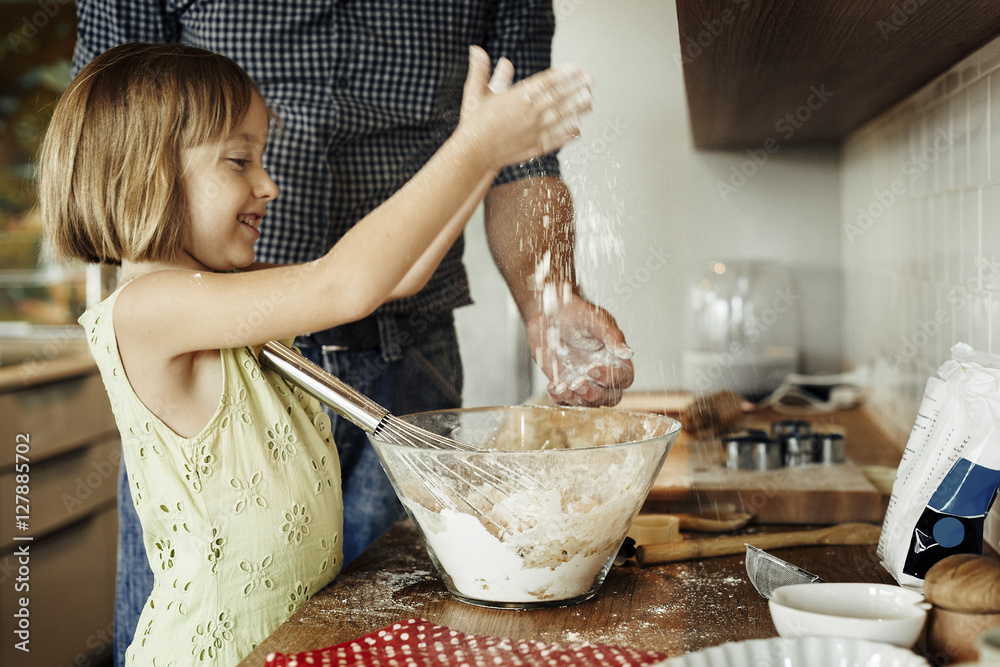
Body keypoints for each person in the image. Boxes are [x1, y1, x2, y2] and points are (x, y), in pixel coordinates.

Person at [70, 3, 635, 663]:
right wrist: (474, 145)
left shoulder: (232, 297)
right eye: (239, 161)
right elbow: (348, 285)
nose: (269, 184)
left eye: (264, 157)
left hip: (285, 647)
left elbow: (403, 274)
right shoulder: (150, 307)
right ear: (144, 170)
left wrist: (489, 153)